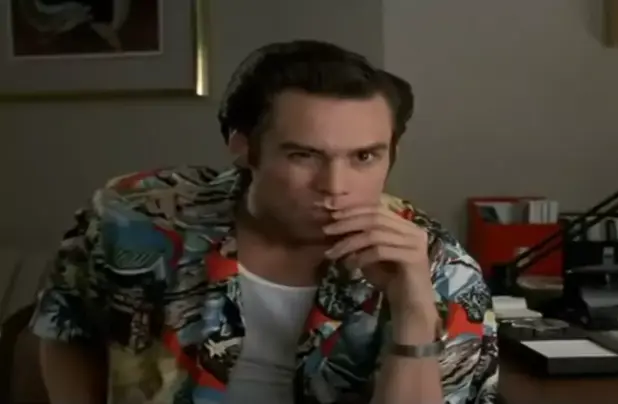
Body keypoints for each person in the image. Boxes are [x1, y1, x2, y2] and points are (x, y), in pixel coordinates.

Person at [30, 39, 499, 404]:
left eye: (364, 157)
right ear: (244, 148)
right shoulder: (136, 216)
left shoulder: (440, 266)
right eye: (303, 155)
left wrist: (413, 313)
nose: (336, 186)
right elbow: (67, 330)